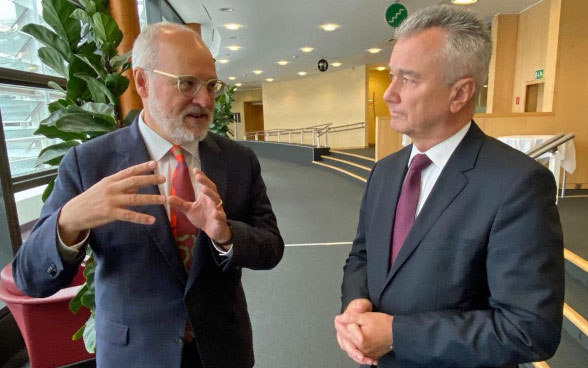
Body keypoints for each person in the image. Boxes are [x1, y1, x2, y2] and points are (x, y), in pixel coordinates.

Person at [13, 23, 284, 368]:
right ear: (142, 82)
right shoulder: (89, 163)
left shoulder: (237, 160)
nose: (205, 100)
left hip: (222, 350)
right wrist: (70, 221)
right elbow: (30, 279)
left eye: (211, 85)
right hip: (134, 354)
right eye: (187, 83)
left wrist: (226, 236)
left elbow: (271, 247)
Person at [335, 5, 564, 368]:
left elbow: (529, 328)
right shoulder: (385, 171)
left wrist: (397, 334)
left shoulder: (517, 184)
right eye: (392, 76)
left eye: (408, 80)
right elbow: (362, 257)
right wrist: (355, 304)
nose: (389, 94)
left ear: (460, 93)